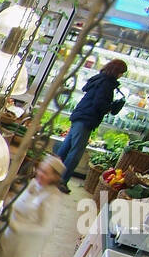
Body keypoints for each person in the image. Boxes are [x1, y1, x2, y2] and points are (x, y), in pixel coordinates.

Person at [55, 60, 128, 191]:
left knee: (66, 148)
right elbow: (99, 103)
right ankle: (61, 181)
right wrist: (111, 107)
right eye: (121, 72)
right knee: (76, 152)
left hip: (80, 116)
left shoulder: (99, 79)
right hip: (86, 119)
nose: (121, 75)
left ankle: (52, 173)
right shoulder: (107, 84)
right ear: (117, 71)